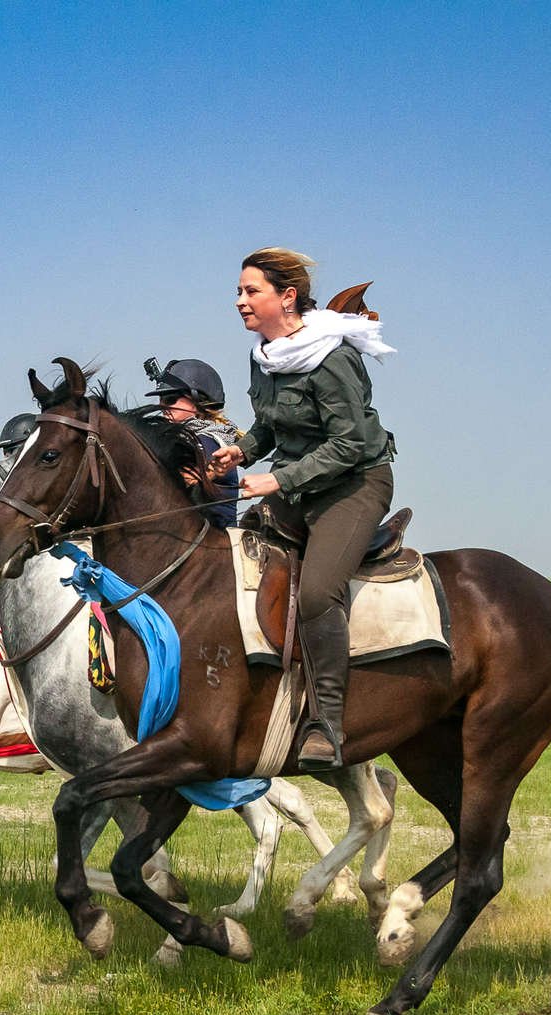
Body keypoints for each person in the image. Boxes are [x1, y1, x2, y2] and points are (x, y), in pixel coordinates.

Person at [207, 247, 397, 770]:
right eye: (239, 292)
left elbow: (351, 444)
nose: (240, 302)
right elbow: (270, 426)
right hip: (296, 487)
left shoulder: (332, 357)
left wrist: (277, 477)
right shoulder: (263, 355)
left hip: (353, 486)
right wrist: (241, 450)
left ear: (287, 297)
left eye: (251, 291)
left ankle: (327, 724)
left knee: (316, 593)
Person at [142, 358, 241, 530]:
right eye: (161, 400)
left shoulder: (208, 441)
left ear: (197, 400)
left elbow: (173, 486)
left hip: (216, 545)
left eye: (171, 399)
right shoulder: (182, 438)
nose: (163, 406)